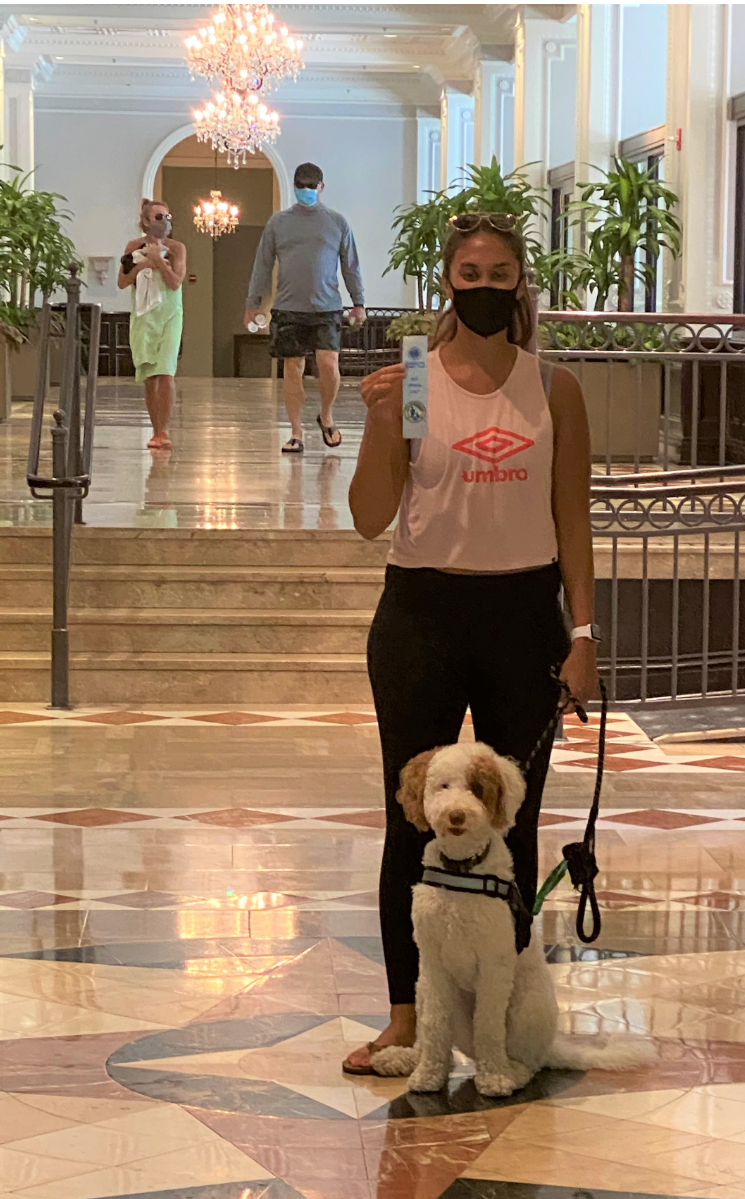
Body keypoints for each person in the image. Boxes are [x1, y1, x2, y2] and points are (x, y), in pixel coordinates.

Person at [342, 213, 598, 1075]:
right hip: (422, 613)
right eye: (468, 272)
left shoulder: (552, 387)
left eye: (498, 274)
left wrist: (584, 633)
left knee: (509, 820)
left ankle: (502, 1014)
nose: (482, 286)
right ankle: (408, 1017)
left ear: (520, 282)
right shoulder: (414, 375)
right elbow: (369, 515)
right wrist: (381, 421)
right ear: (445, 281)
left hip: (525, 616)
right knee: (408, 817)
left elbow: (574, 518)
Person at [244, 161, 366, 455]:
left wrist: (358, 302)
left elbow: (350, 265)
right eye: (301, 187)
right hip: (289, 307)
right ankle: (296, 431)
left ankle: (326, 415)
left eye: (311, 187)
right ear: (294, 187)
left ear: (321, 188)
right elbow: (262, 264)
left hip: (327, 307)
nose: (306, 191)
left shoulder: (337, 222)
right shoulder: (278, 223)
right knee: (293, 368)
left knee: (328, 364)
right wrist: (253, 304)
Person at [117, 200, 186, 451]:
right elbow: (122, 282)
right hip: (144, 315)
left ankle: (164, 430)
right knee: (149, 375)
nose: (164, 221)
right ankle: (155, 429)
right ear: (146, 221)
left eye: (167, 216)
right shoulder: (133, 247)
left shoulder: (177, 248)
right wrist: (144, 265)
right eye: (158, 217)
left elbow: (175, 282)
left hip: (169, 314)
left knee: (166, 371)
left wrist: (158, 260)